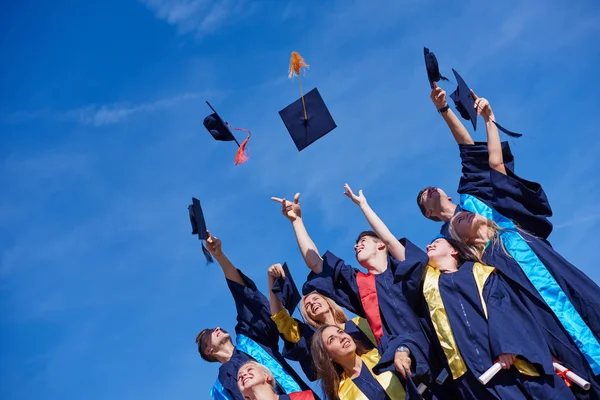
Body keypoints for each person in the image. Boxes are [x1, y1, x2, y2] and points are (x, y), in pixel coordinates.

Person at [441, 95, 600, 398]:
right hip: (550, 328)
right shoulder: (487, 268)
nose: (465, 212)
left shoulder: (512, 223)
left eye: (465, 211)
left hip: (574, 294)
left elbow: (494, 163)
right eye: (460, 219)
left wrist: (489, 119)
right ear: (464, 242)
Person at [270, 194, 454, 398]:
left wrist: (363, 205)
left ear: (380, 245)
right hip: (407, 375)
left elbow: (390, 240)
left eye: (363, 241)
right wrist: (297, 221)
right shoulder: (361, 286)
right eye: (356, 244)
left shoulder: (405, 270)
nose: (356, 246)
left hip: (448, 351)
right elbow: (317, 263)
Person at [195, 232, 310, 400]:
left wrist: (219, 256)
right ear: (209, 350)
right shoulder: (220, 389)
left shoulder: (250, 341)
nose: (218, 328)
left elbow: (245, 296)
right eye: (211, 332)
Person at [267, 263, 376, 380]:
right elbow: (280, 318)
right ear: (308, 315)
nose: (313, 303)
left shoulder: (360, 322)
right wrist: (271, 279)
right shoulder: (311, 338)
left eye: (315, 299)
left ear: (327, 302)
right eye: (307, 306)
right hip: (351, 391)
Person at [311, 324, 422, 400]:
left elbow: (407, 338)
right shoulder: (341, 394)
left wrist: (402, 350)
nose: (341, 337)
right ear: (328, 356)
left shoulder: (381, 353)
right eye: (332, 339)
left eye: (340, 332)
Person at [236, 361, 316, 400]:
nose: (243, 375)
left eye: (250, 369)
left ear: (267, 376)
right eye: (239, 377)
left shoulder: (304, 398)